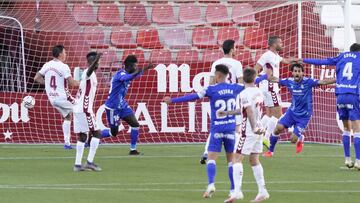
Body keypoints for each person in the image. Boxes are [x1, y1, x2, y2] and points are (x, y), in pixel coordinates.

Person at [164, 64, 244, 198]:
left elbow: (192, 97)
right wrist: (266, 76)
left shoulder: (211, 89)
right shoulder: (235, 87)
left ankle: (211, 184)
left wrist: (172, 100)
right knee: (231, 161)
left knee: (211, 159)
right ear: (227, 76)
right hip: (231, 128)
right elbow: (252, 82)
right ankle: (232, 190)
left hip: (217, 129)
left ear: (218, 75)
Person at [301, 43, 360, 169]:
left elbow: (322, 61)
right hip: (353, 94)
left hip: (340, 95)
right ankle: (358, 161)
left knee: (346, 128)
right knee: (357, 130)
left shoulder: (341, 56)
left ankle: (347, 159)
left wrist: (304, 60)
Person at [264, 63, 336, 157]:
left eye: (299, 71)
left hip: (304, 116)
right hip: (292, 113)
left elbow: (324, 82)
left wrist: (338, 79)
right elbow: (276, 80)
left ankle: (300, 138)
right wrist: (266, 76)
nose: (297, 73)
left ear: (302, 73)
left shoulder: (308, 82)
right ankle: (270, 151)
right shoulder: (289, 81)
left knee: (293, 140)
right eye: (295, 71)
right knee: (278, 128)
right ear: (292, 73)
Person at [221, 68, 269, 203]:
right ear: (255, 79)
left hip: (248, 131)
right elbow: (244, 110)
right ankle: (262, 190)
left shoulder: (243, 94)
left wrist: (253, 127)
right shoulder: (259, 92)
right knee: (254, 160)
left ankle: (237, 192)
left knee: (236, 159)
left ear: (242, 79)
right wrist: (227, 113)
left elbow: (249, 111)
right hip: (258, 130)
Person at [200, 39, 243, 165]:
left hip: (217, 98)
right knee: (236, 129)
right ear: (231, 49)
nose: (236, 50)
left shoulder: (216, 63)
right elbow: (240, 83)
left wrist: (214, 94)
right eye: (235, 48)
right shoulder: (237, 64)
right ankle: (234, 155)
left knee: (215, 128)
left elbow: (211, 83)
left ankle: (207, 152)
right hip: (232, 99)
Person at [101, 55, 153, 155]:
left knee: (135, 124)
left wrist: (146, 68)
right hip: (113, 107)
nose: (136, 67)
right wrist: (140, 70)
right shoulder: (120, 74)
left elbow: (135, 75)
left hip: (122, 105)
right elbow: (128, 77)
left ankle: (133, 150)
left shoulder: (129, 73)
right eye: (135, 65)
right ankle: (94, 134)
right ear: (129, 66)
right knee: (114, 133)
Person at [254, 36, 298, 150]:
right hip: (270, 86)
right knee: (278, 114)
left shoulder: (275, 56)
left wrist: (298, 60)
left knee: (269, 114)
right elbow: (256, 68)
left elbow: (286, 61)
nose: (282, 44)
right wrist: (253, 81)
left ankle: (256, 135)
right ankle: (266, 137)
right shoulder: (267, 55)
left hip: (268, 87)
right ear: (273, 44)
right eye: (280, 42)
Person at [34, 44, 79, 149]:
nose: (66, 54)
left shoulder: (47, 65)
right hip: (63, 98)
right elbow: (72, 83)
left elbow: (36, 78)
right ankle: (88, 139)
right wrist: (83, 82)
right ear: (60, 54)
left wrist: (47, 85)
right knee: (83, 109)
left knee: (67, 116)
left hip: (52, 99)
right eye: (65, 52)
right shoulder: (64, 66)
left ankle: (67, 144)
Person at [73, 52, 102, 172]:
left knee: (83, 136)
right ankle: (89, 162)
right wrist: (96, 60)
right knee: (96, 133)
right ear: (93, 62)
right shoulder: (88, 73)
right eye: (97, 62)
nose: (98, 64)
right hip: (85, 109)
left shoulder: (89, 74)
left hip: (79, 109)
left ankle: (77, 165)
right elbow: (89, 71)